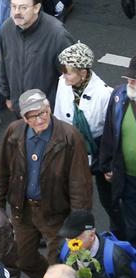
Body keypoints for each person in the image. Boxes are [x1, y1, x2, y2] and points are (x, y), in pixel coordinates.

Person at [0, 90, 92, 278]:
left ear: (49, 108)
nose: (39, 119)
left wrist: (78, 222)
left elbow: (80, 183)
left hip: (57, 215)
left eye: (43, 112)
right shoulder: (14, 132)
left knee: (61, 266)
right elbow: (2, 172)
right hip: (23, 211)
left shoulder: (69, 137)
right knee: (22, 259)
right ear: (24, 118)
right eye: (32, 116)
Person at [56, 44, 121, 230]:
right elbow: (59, 114)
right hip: (71, 146)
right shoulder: (63, 83)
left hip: (98, 147)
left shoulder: (104, 95)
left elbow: (112, 133)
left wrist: (109, 165)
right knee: (73, 194)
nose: (63, 75)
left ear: (83, 73)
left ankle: (120, 234)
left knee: (109, 198)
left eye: (67, 72)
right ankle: (75, 231)